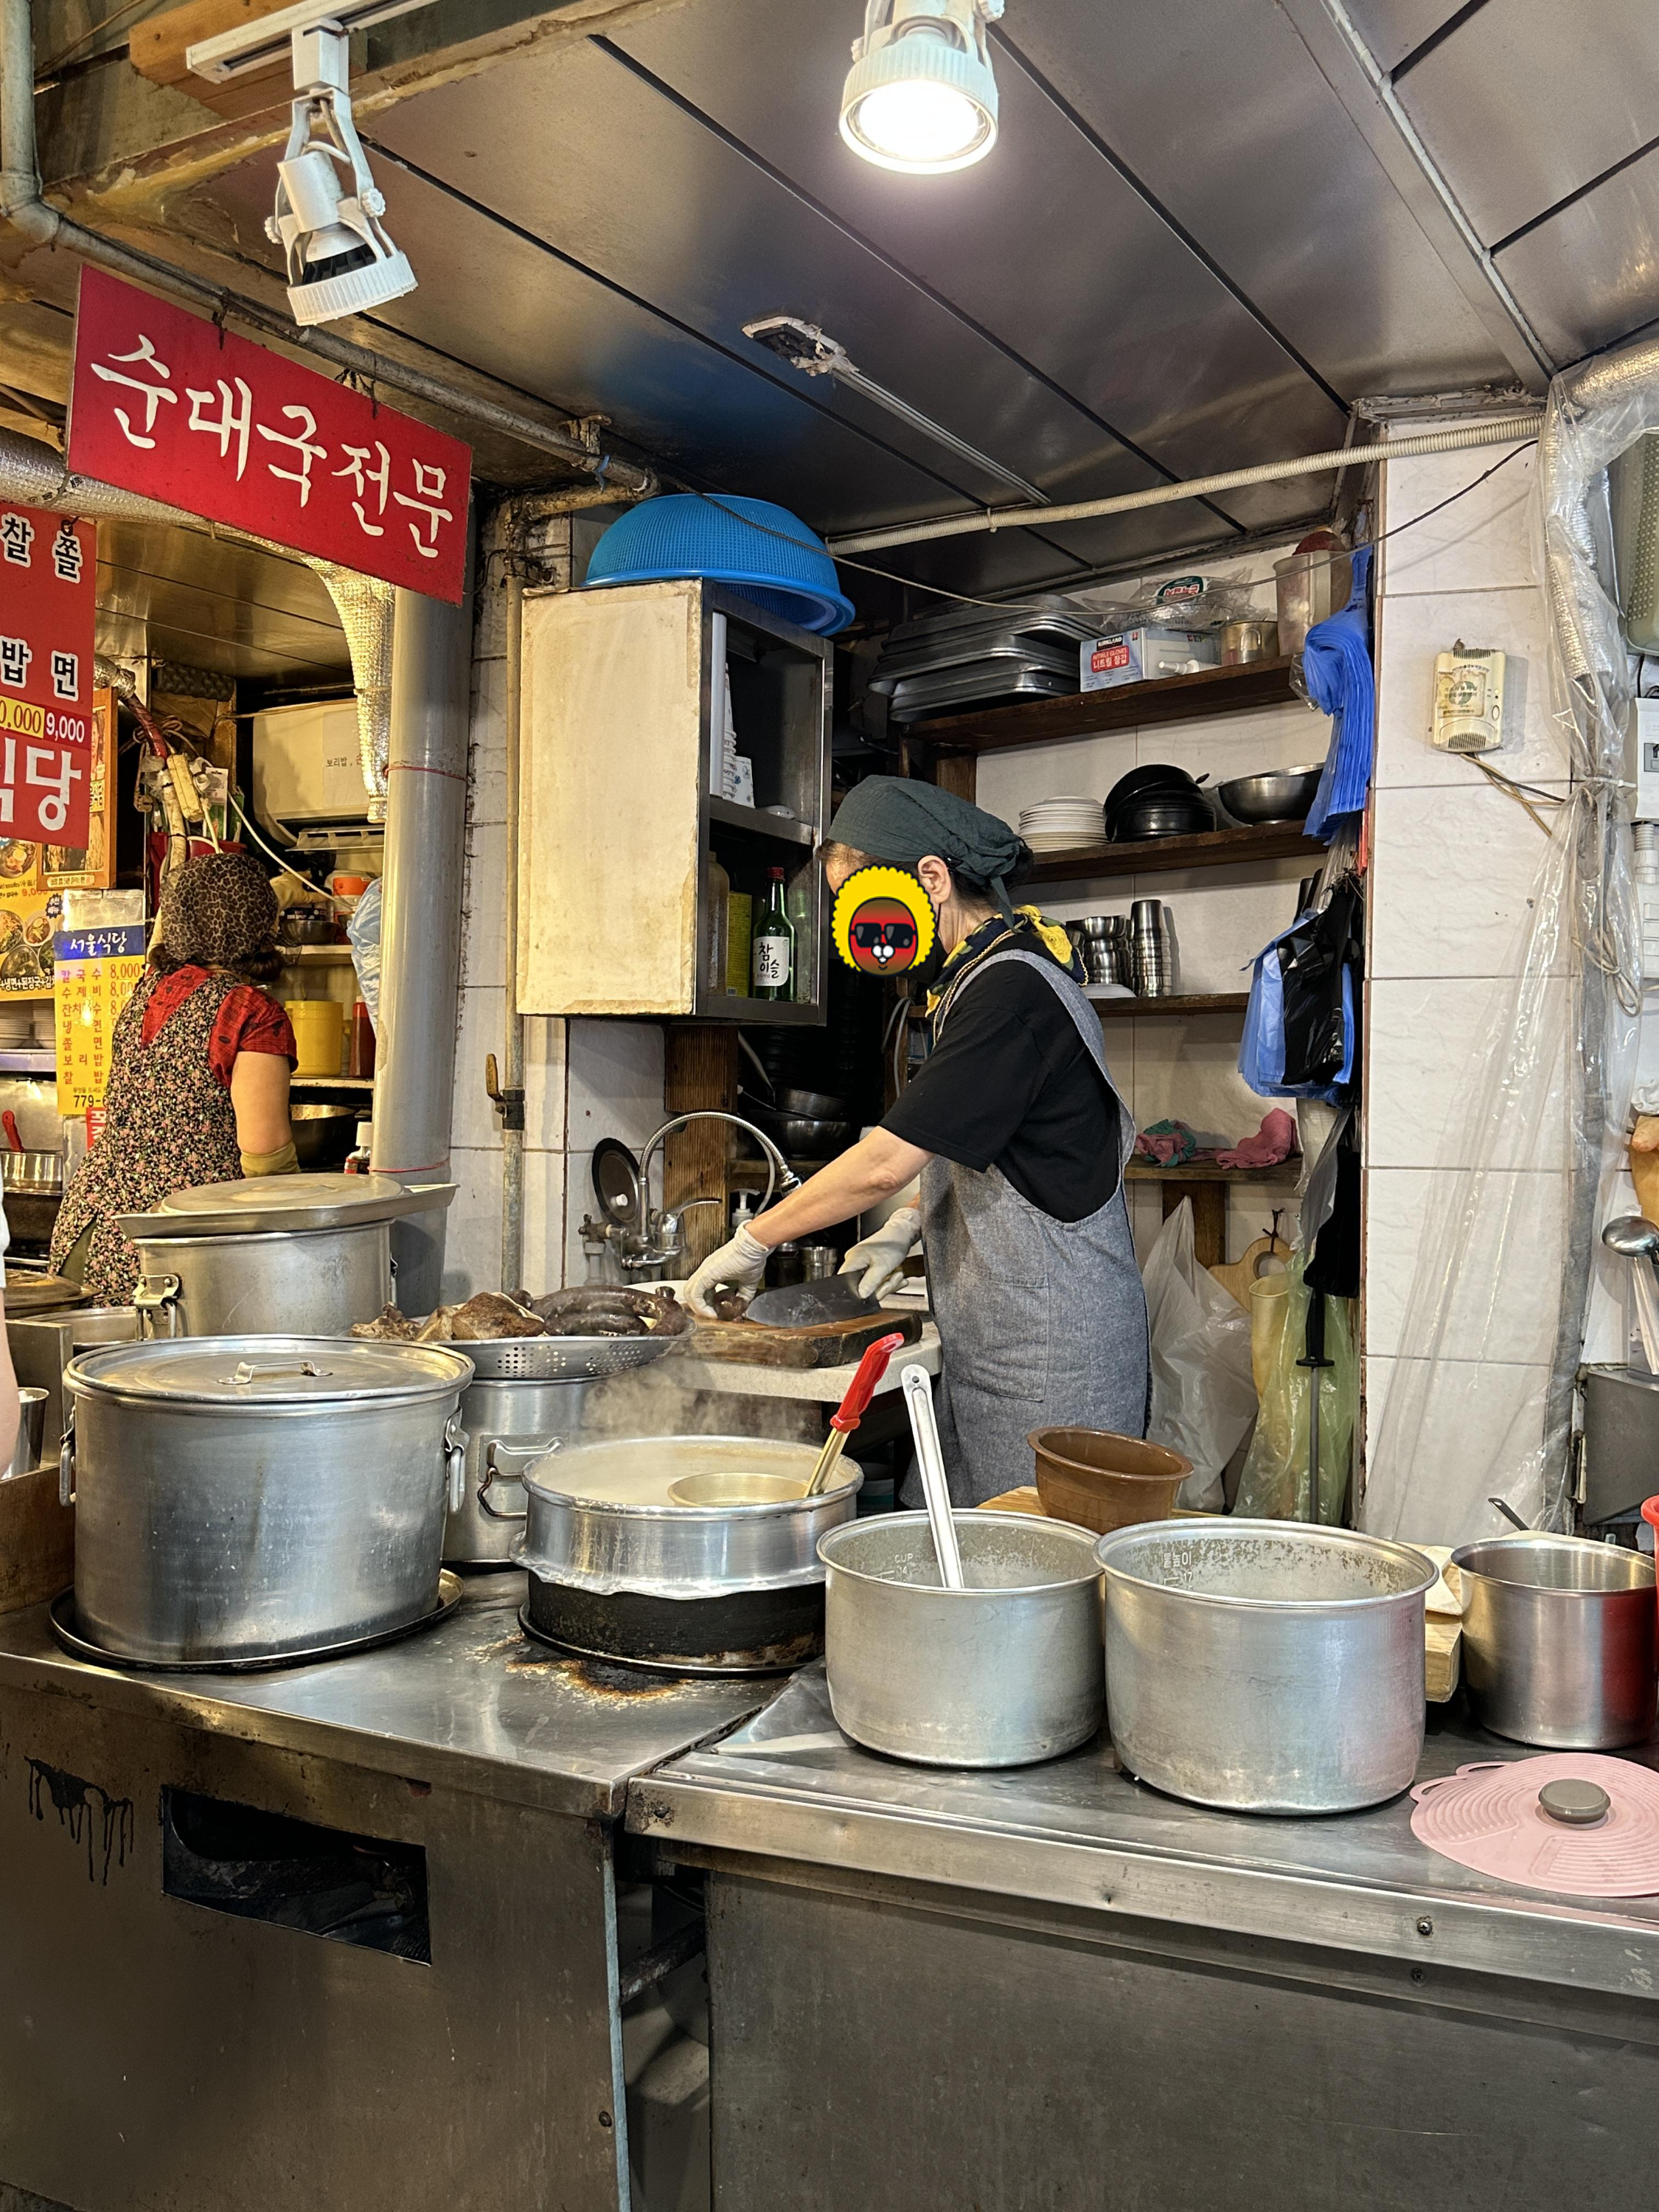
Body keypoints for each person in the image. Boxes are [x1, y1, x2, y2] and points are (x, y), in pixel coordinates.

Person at [686, 778, 1149, 1505]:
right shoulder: (979, 980)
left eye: (862, 894)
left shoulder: (1009, 992)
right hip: (1007, 1345)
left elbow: (887, 1161)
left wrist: (754, 1241)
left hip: (1055, 1364)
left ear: (931, 878)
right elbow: (989, 1149)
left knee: (1036, 1584)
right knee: (974, 1562)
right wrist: (905, 1230)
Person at [51, 852, 299, 1302]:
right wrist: (307, 1222)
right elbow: (265, 1157)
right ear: (260, 924)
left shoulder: (148, 990)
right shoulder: (251, 1013)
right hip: (176, 1246)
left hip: (91, 1229)